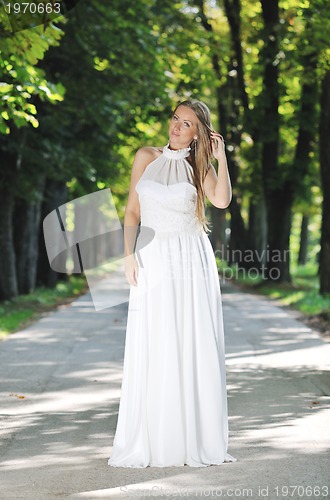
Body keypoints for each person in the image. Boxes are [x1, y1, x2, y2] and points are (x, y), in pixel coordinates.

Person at [108, 99, 236, 467]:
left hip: (189, 261)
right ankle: (154, 437)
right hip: (152, 257)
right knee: (155, 340)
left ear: (199, 133)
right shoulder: (145, 156)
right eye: (175, 120)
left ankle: (192, 439)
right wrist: (129, 256)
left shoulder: (200, 167)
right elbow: (132, 210)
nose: (176, 128)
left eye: (186, 124)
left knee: (189, 341)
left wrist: (220, 157)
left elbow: (222, 199)